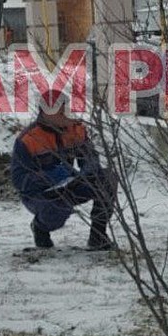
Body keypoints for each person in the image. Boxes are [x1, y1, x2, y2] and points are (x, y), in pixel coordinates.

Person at [10, 91, 116, 250]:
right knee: (58, 210)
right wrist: (50, 177)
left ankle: (98, 236)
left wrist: (86, 173)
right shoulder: (28, 140)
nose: (68, 115)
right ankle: (40, 228)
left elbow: (91, 159)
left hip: (71, 185)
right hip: (40, 194)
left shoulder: (77, 130)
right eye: (63, 111)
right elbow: (19, 181)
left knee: (107, 179)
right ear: (47, 113)